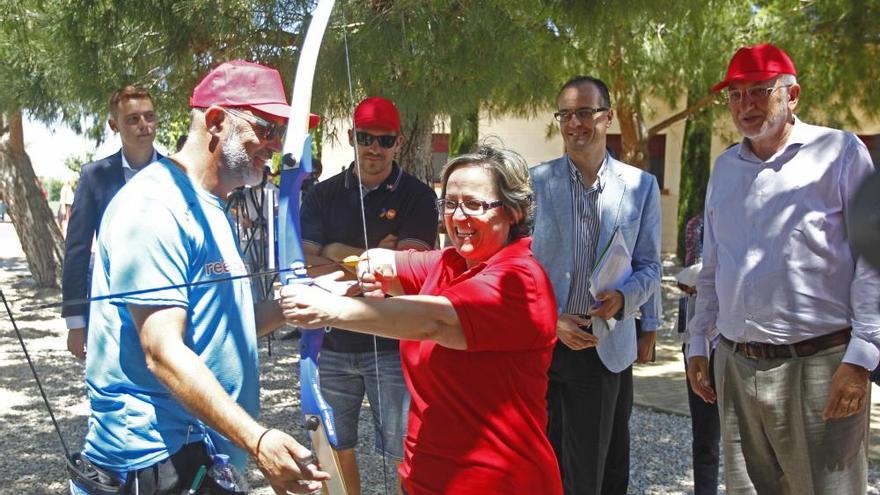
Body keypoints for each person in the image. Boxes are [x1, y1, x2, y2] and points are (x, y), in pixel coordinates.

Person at [72, 60, 329, 495]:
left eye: (281, 132)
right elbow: (162, 351)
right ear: (215, 121)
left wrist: (311, 301)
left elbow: (220, 326)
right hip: (153, 461)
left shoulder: (212, 205)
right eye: (266, 128)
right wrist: (258, 440)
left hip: (201, 452)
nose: (274, 144)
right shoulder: (154, 206)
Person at [281, 144, 563, 495]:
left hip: (498, 482)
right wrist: (367, 264)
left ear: (513, 212)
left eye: (474, 204)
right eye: (450, 203)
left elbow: (434, 320)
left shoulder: (520, 280)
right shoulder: (450, 262)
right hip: (424, 479)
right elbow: (390, 262)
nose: (458, 216)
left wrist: (330, 310)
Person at [687, 43, 880, 494]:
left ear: (791, 95)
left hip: (821, 366)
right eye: (735, 95)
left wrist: (861, 358)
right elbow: (713, 265)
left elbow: (872, 261)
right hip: (735, 365)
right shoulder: (725, 168)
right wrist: (699, 340)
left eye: (759, 91)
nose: (745, 105)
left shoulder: (841, 153)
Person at [299, 96, 438, 494]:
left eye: (385, 139)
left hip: (393, 343)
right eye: (365, 138)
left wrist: (334, 251)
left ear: (398, 142)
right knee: (332, 446)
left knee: (405, 452)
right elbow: (305, 263)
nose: (374, 148)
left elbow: (408, 271)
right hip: (332, 342)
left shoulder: (417, 196)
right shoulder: (322, 194)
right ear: (351, 137)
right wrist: (374, 256)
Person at [530, 75, 662, 495]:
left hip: (604, 344)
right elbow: (516, 267)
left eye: (585, 112)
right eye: (566, 114)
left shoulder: (641, 186)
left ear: (607, 117)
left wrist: (630, 304)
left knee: (600, 471)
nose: (575, 124)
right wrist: (550, 320)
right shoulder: (533, 185)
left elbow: (650, 265)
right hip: (545, 344)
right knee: (543, 466)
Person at [61, 85, 163, 360]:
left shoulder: (178, 174)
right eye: (133, 119)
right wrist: (75, 321)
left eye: (149, 116)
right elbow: (77, 250)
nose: (144, 124)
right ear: (114, 125)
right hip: (112, 310)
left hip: (170, 306)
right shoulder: (94, 177)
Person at [676, 213, 721, 495]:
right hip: (699, 344)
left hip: (744, 346)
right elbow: (691, 278)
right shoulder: (698, 225)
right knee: (705, 437)